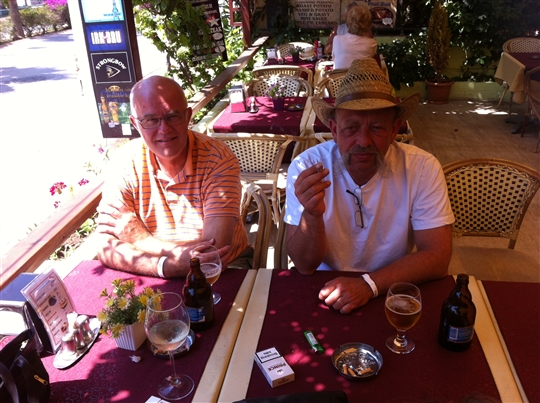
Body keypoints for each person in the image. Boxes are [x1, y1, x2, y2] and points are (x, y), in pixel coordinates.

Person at [285, 58, 454, 314]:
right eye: (351, 128)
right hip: (325, 290)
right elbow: (305, 266)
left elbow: (437, 257)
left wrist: (368, 285)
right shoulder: (307, 167)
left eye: (377, 128)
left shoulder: (422, 167)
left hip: (394, 288)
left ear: (394, 130)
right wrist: (312, 214)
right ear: (334, 130)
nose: (363, 141)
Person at [95, 75, 250, 278]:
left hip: (224, 272)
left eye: (172, 116)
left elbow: (213, 253)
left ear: (187, 116)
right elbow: (105, 246)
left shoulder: (217, 158)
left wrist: (139, 239)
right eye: (151, 120)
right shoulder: (123, 163)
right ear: (135, 123)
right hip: (154, 273)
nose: (164, 129)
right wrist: (167, 266)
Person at [331, 3, 378, 70]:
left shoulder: (337, 39)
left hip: (339, 76)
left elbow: (334, 59)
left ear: (348, 21)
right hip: (361, 76)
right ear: (368, 24)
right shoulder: (372, 43)